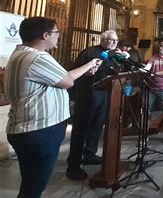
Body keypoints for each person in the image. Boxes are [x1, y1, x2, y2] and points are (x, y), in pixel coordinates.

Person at [4, 17, 101, 197]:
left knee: (30, 183)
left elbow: (62, 77)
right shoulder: (36, 57)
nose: (58, 37)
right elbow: (67, 81)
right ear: (45, 35)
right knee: (34, 188)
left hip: (28, 129)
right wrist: (90, 64)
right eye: (57, 33)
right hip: (40, 130)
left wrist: (85, 69)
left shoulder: (20, 53)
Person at [66, 30, 124, 180]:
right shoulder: (90, 52)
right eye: (111, 40)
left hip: (106, 93)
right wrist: (87, 73)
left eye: (116, 40)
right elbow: (75, 73)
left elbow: (118, 70)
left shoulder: (114, 54)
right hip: (88, 94)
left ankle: (90, 154)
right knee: (81, 128)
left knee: (97, 126)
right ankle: (73, 164)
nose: (114, 43)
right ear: (103, 40)